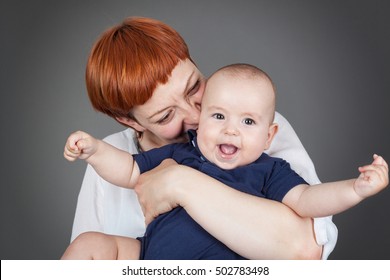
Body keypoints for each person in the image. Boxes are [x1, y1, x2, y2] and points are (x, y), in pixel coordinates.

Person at [69, 16, 338, 259]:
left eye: (194, 87)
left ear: (194, 64)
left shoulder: (254, 129)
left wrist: (179, 183)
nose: (196, 117)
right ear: (129, 121)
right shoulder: (111, 153)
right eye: (165, 116)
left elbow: (307, 249)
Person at [62, 63, 388, 260]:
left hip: (221, 266)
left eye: (248, 122)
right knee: (89, 245)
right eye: (218, 116)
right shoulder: (182, 154)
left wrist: (355, 189)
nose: (231, 129)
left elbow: (309, 201)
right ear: (201, 119)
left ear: (269, 135)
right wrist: (94, 151)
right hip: (150, 256)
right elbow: (129, 169)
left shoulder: (269, 170)